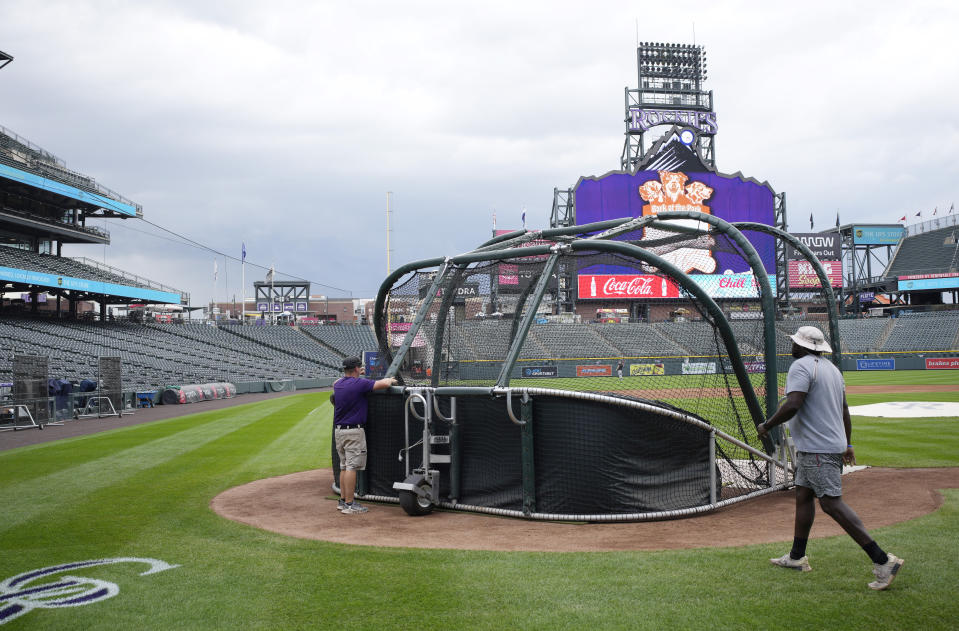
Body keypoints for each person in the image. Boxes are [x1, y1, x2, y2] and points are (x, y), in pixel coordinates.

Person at [757, 326, 904, 590]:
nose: (792, 346)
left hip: (817, 448)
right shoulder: (832, 369)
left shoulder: (801, 366)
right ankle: (796, 556)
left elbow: (793, 404)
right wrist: (847, 443)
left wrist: (767, 425)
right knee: (803, 495)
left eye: (795, 342)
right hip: (825, 445)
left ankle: (883, 560)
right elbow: (844, 410)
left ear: (803, 347)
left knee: (831, 504)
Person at [332, 356, 397, 514]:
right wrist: (391, 379)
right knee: (352, 467)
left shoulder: (338, 384)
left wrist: (356, 373)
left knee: (343, 467)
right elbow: (384, 383)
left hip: (339, 431)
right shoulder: (360, 383)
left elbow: (335, 382)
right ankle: (349, 504)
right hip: (354, 432)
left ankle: (342, 501)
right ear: (356, 369)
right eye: (359, 368)